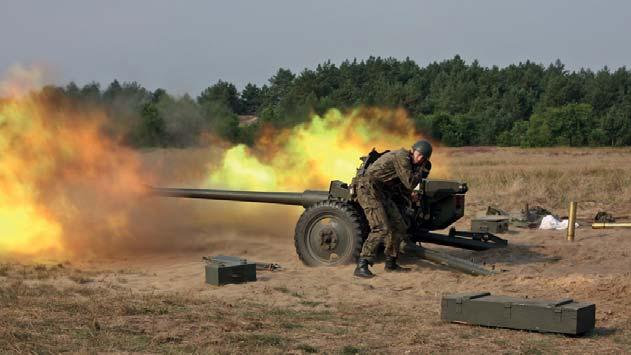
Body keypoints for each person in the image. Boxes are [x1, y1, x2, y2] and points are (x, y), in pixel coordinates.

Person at [353, 140, 432, 278]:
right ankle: (362, 264)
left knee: (399, 225)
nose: (419, 159)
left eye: (423, 158)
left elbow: (402, 186)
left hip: (381, 191)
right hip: (367, 189)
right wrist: (422, 171)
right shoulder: (402, 157)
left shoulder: (408, 161)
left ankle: (391, 263)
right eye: (419, 155)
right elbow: (409, 183)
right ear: (413, 150)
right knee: (381, 227)